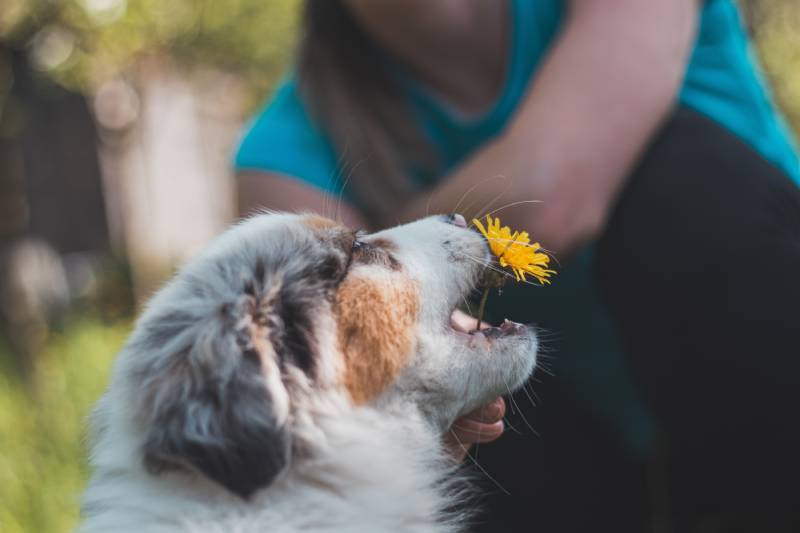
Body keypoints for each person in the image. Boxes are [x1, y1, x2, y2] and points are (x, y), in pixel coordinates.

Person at [235, 0, 800, 530]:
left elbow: (549, 202)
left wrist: (376, 260)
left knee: (682, 179)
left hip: (771, 396)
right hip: (569, 460)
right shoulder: (281, 153)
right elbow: (325, 377)